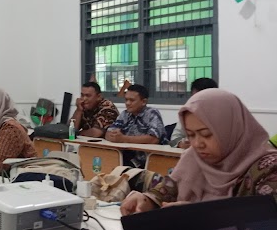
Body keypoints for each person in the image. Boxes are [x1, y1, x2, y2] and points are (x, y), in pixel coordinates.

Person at [121, 89, 277, 216]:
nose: (197, 144)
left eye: (207, 134)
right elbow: (168, 189)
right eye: (191, 135)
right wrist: (146, 200)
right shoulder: (193, 158)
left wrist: (202, 216)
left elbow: (267, 228)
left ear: (232, 129)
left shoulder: (268, 169)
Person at [106, 84, 166, 168]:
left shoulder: (152, 113)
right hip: (127, 158)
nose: (127, 103)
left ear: (143, 102)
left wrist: (123, 138)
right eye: (126, 100)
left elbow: (154, 139)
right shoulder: (125, 114)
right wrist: (113, 135)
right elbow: (108, 133)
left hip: (150, 161)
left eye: (132, 100)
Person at [169, 78, 218, 148]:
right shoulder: (188, 113)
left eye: (203, 97)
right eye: (195, 97)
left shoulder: (222, 114)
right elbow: (173, 139)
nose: (198, 101)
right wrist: (180, 143)